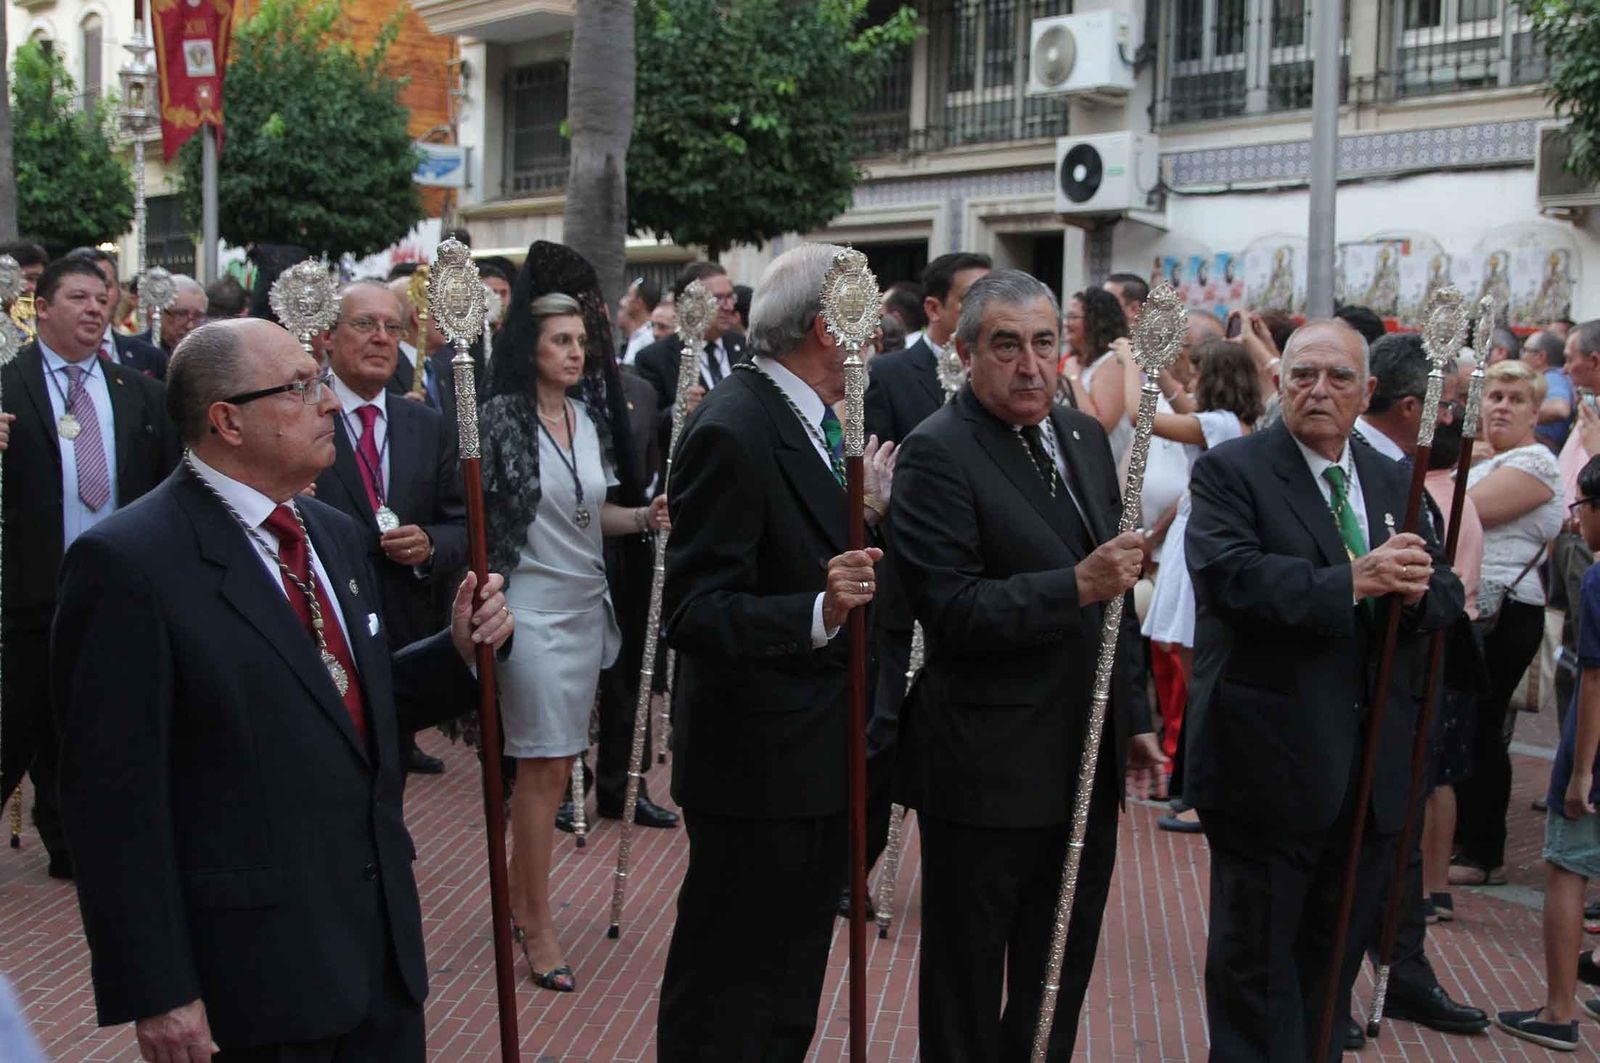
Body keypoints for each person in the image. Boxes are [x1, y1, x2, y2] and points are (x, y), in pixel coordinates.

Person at [53, 317, 514, 1061]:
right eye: (301, 387)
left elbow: (342, 704)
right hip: (253, 975)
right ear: (227, 419)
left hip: (377, 955)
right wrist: (158, 987)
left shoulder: (329, 531)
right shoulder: (130, 563)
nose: (329, 401)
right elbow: (114, 801)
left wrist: (456, 652)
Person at [891, 268, 1160, 1061]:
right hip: (986, 768)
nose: (1031, 365)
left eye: (1045, 343)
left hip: (1086, 759)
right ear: (967, 351)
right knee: (967, 987)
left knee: (1057, 981)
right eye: (1007, 346)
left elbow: (1118, 581)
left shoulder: (1078, 433)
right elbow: (952, 608)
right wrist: (1072, 586)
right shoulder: (938, 451)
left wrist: (1136, 714)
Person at [1185, 318, 1463, 1062]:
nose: (1319, 390)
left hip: (1369, 777)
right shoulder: (1233, 471)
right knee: (1256, 974)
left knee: (1329, 975)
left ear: (1367, 391)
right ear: (1279, 382)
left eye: (1339, 377)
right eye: (1303, 374)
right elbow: (1230, 578)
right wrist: (1353, 580)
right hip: (1267, 771)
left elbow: (1441, 590)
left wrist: (1414, 591)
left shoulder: (1391, 477)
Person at [656, 243, 888, 1059]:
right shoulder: (736, 425)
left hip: (818, 754)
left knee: (787, 986)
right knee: (727, 989)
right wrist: (814, 610)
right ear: (827, 327)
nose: (878, 335)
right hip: (757, 765)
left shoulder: (814, 418)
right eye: (865, 315)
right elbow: (692, 608)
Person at [480, 291, 668, 993]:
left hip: (586, 605)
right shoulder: (501, 419)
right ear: (528, 348)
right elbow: (486, 511)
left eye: (580, 340)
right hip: (526, 610)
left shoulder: (586, 421)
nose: (575, 351)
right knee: (544, 767)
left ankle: (515, 897)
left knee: (556, 765)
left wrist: (645, 516)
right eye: (559, 339)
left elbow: (592, 517)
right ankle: (537, 922)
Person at [0, 256, 179, 881]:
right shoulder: (6, 386)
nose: (95, 308)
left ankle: (74, 846)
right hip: (29, 589)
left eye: (102, 298)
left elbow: (170, 482)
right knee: (17, 722)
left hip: (114, 588)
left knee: (98, 721)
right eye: (78, 297)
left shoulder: (140, 391)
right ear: (41, 308)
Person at [1344, 331, 1490, 1035]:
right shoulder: (1365, 469)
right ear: (1414, 405)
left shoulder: (1408, 469)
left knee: (1393, 842)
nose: (1461, 418)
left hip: (1411, 688)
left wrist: (1433, 594)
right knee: (1357, 851)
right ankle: (1338, 983)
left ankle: (1402, 968)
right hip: (1354, 696)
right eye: (1454, 403)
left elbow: (1436, 584)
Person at [312, 280, 468, 777]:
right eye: (364, 324)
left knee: (389, 776)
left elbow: (460, 525)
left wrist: (427, 545)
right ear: (329, 336)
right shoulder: (301, 413)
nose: (381, 337)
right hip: (320, 624)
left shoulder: (425, 424)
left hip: (400, 628)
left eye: (391, 326)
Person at [1134, 338, 1263, 833]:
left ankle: (1208, 794)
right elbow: (1181, 401)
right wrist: (1158, 364)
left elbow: (1143, 418)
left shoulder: (1220, 424)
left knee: (1200, 681)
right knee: (1196, 676)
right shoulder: (1235, 422)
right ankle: (1198, 785)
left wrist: (1131, 362)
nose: (1188, 383)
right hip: (1193, 534)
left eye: (1197, 375)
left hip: (1199, 544)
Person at [1497, 454, 1600, 1051]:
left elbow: (1594, 680)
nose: (1576, 519)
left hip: (1595, 746)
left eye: (1582, 506)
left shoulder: (1597, 579)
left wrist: (1581, 768)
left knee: (1567, 868)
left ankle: (1559, 1010)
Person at [1452, 358, 1565, 885]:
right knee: (1463, 721)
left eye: (1515, 399)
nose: (1502, 406)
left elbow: (1461, 513)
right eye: (1495, 396)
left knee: (1481, 722)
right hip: (1469, 602)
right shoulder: (1482, 456)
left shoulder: (1536, 462)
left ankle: (1481, 851)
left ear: (1534, 412)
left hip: (1506, 609)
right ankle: (1459, 840)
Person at [863, 251, 991, 447]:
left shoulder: (1001, 371)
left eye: (994, 298)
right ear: (933, 308)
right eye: (972, 298)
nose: (987, 309)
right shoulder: (886, 375)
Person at [634, 261, 746, 454]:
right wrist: (678, 411)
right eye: (718, 299)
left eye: (730, 297)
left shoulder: (744, 348)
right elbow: (647, 430)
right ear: (690, 304)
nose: (729, 307)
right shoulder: (655, 358)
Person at [64, 247, 166, 378]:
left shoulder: (150, 358)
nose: (95, 299)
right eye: (81, 290)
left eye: (105, 286)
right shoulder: (41, 358)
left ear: (119, 292)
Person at [1062, 287, 1131, 457]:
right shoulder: (1079, 362)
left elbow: (1098, 426)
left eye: (1073, 317)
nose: (1066, 323)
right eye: (1066, 317)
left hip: (1102, 467)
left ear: (1096, 321)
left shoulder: (1114, 361)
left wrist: (1072, 378)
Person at [138, 273, 209, 365]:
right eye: (181, 314)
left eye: (198, 316)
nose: (190, 325)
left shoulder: (209, 357)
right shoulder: (136, 353)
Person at [1523, 329, 1574, 452]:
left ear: (1540, 356)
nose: (1522, 356)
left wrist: (1519, 418)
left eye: (1525, 350)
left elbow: (1560, 408)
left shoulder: (1553, 377)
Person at [617, 275, 661, 364]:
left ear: (638, 303)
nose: (622, 301)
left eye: (628, 295)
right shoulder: (635, 336)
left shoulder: (649, 339)